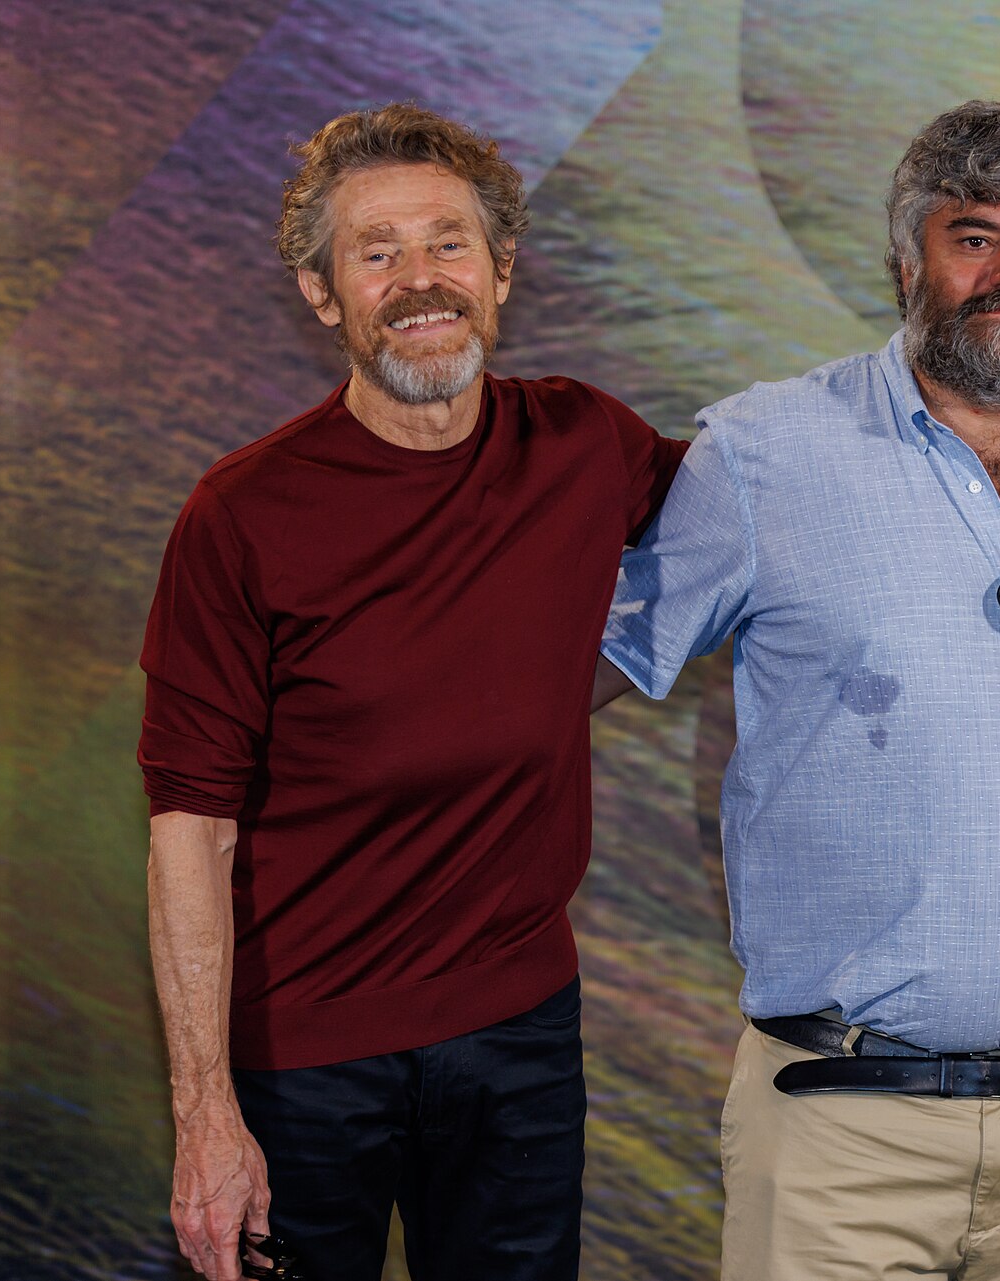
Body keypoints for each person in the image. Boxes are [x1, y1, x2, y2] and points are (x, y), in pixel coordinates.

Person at [594, 100, 1000, 1280]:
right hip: (842, 1136)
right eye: (975, 239)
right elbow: (581, 669)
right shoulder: (762, 455)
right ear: (905, 262)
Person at [140, 104, 686, 1281]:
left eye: (448, 243)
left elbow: (781, 499)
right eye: (376, 252)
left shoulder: (584, 444)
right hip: (301, 1058)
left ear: (500, 271)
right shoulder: (241, 515)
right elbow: (191, 828)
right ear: (321, 293)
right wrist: (205, 1114)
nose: (420, 280)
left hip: (521, 1033)